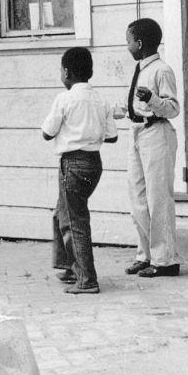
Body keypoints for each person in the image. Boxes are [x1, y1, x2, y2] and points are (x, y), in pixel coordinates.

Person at [41, 46, 118, 295]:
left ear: (66, 72)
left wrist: (74, 133)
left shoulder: (64, 99)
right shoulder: (101, 100)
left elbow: (47, 132)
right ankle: (70, 266)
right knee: (63, 212)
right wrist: (88, 133)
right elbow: (112, 136)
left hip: (72, 163)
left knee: (74, 221)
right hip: (94, 164)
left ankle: (86, 279)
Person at [115, 17, 181, 278]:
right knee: (138, 198)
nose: (127, 47)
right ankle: (146, 255)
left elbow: (173, 108)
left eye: (129, 42)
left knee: (158, 199)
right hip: (138, 132)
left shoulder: (161, 70)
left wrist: (153, 100)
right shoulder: (141, 69)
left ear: (140, 43)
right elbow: (135, 106)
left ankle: (166, 260)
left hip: (157, 134)